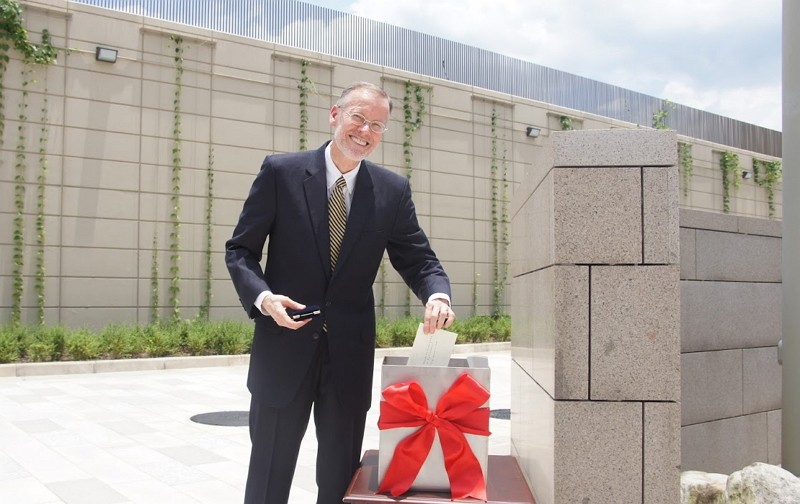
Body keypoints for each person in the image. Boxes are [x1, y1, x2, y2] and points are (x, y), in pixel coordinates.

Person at [225, 81, 455, 504]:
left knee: (340, 482)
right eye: (358, 118)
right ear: (335, 115)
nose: (365, 131)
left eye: (377, 126)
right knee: (269, 477)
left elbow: (419, 259)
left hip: (348, 359)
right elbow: (240, 251)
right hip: (283, 349)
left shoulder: (391, 190)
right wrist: (264, 299)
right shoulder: (281, 172)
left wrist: (437, 295)